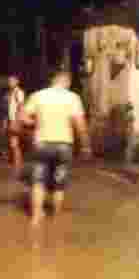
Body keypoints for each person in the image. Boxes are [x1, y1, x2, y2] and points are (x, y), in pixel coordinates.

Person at [19, 69, 92, 226]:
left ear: (53, 81)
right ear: (66, 82)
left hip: (41, 143)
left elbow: (23, 118)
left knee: (38, 181)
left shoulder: (38, 95)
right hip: (64, 145)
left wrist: (34, 123)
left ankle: (36, 216)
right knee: (59, 183)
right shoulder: (73, 98)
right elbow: (80, 124)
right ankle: (57, 218)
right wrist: (86, 146)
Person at [3, 74, 26, 171]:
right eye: (9, 81)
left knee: (14, 143)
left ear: (17, 82)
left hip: (16, 120)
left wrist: (16, 121)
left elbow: (21, 106)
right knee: (13, 143)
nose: (10, 83)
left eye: (12, 81)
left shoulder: (18, 92)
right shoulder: (11, 93)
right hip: (11, 119)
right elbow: (8, 108)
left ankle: (18, 164)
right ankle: (17, 163)